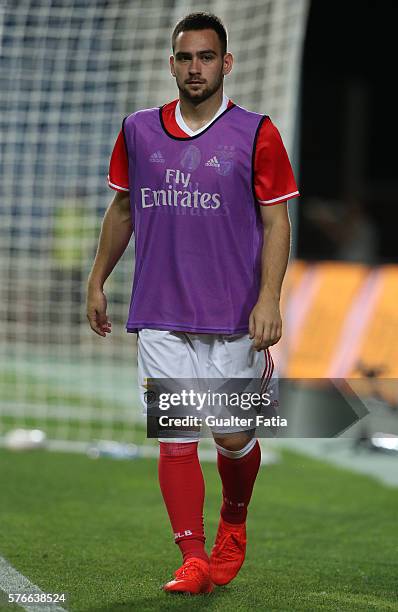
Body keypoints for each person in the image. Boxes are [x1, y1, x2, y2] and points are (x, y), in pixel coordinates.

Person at [86, 12, 299, 595]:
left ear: (226, 63)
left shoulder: (258, 133)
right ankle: (194, 558)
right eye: (185, 57)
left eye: (206, 57)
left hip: (234, 317)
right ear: (172, 64)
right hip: (160, 311)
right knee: (177, 434)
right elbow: (124, 210)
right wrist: (97, 279)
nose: (195, 67)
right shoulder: (138, 130)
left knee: (231, 438)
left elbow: (276, 221)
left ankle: (234, 520)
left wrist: (269, 298)